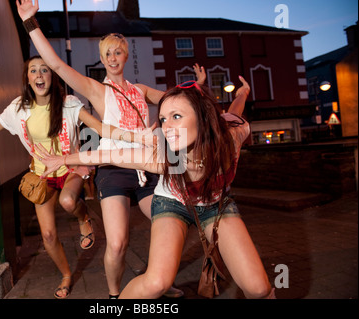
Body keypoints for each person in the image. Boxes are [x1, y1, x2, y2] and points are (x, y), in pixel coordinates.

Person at [0, 56, 145, 299]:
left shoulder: (69, 104)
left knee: (68, 202)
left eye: (45, 70)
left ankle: (84, 218)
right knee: (48, 235)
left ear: (52, 77)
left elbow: (99, 127)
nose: (39, 74)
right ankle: (66, 274)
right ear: (28, 78)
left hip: (70, 169)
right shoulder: (17, 109)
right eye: (34, 71)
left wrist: (136, 138)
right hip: (41, 175)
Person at [16, 0, 207, 299]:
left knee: (169, 225)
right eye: (107, 54)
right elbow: (56, 65)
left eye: (118, 52)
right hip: (114, 169)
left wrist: (196, 87)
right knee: (117, 243)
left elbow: (174, 100)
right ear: (102, 59)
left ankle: (160, 277)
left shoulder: (140, 90)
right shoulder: (97, 90)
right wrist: (30, 22)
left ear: (125, 54)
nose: (113, 57)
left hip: (147, 170)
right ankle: (115, 295)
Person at [33, 76, 276, 299]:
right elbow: (110, 155)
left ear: (202, 116)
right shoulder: (165, 156)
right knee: (157, 282)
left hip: (216, 206)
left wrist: (243, 93)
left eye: (176, 116)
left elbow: (234, 113)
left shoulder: (232, 136)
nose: (166, 126)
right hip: (173, 203)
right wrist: (62, 160)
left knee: (259, 288)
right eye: (162, 119)